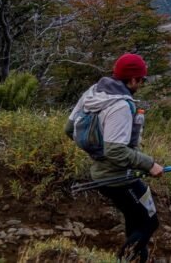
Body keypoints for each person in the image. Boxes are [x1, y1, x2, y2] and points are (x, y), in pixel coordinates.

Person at [65, 53, 163, 263]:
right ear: (133, 79)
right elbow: (116, 152)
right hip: (118, 177)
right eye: (142, 80)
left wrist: (95, 152)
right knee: (149, 223)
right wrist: (150, 164)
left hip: (103, 173)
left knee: (134, 218)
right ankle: (122, 260)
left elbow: (69, 128)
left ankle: (139, 259)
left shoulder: (94, 92)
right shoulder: (120, 106)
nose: (142, 84)